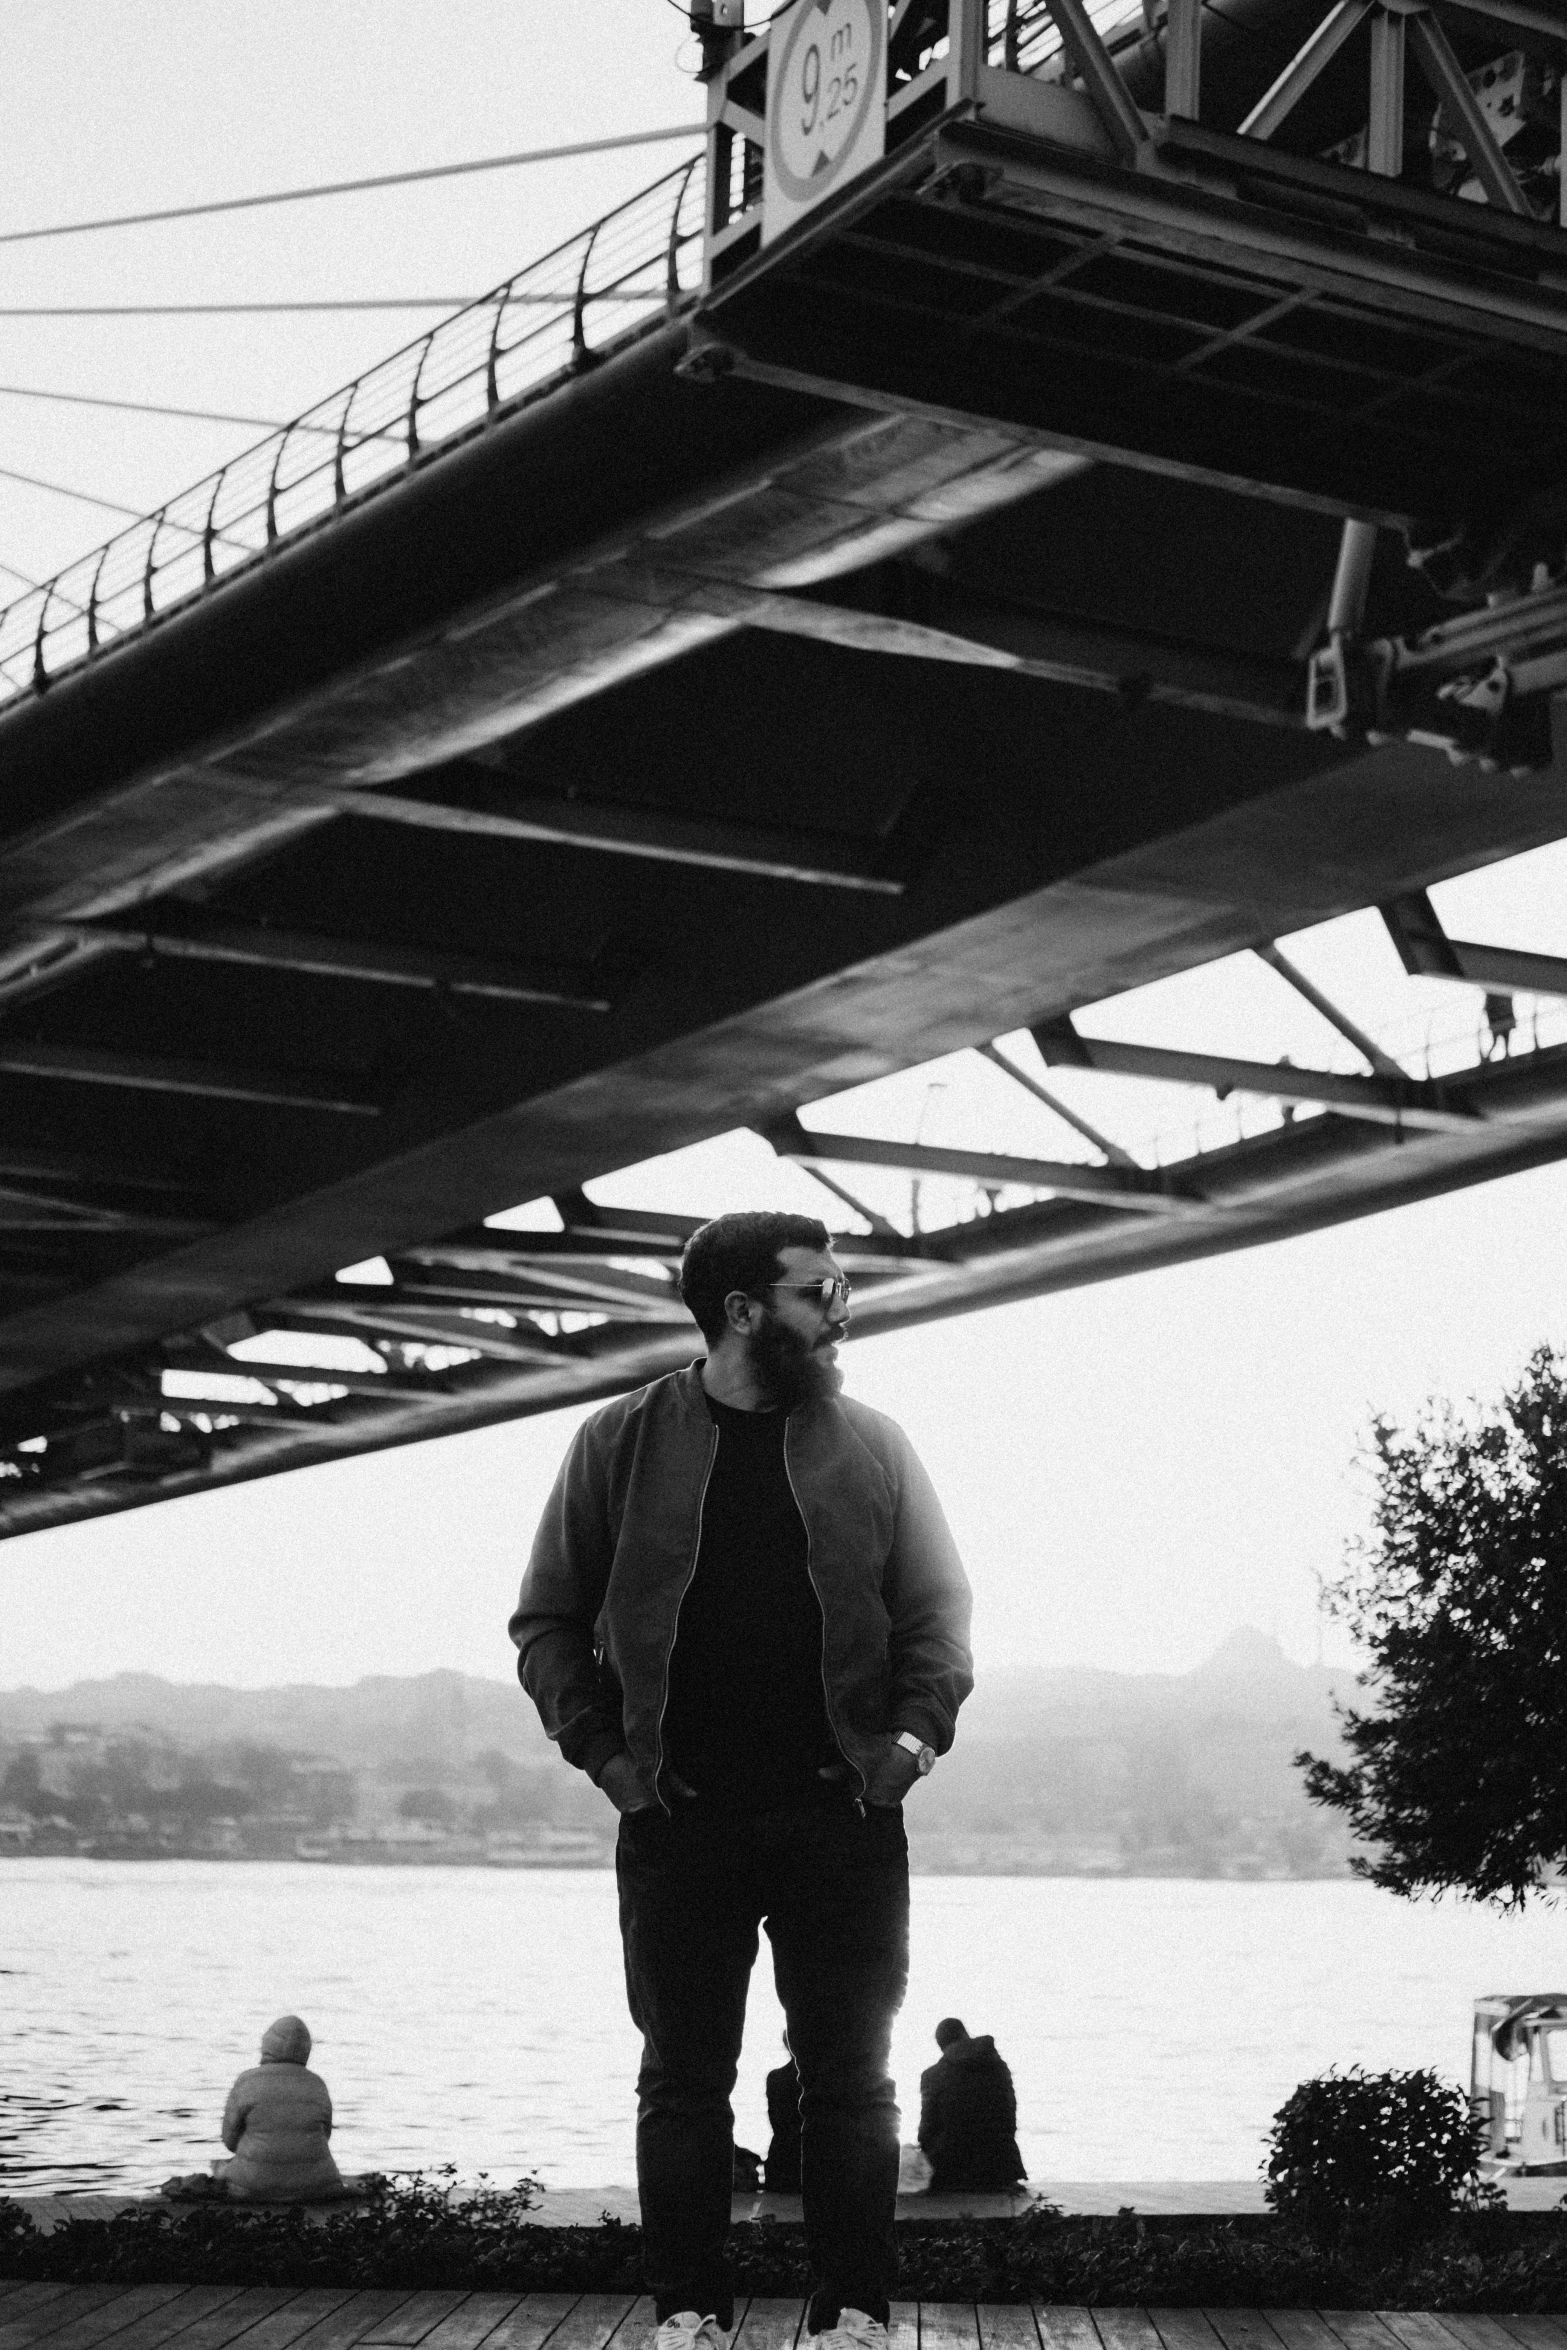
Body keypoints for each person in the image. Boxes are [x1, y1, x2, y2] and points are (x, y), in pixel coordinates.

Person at [510, 1210, 973, 2350]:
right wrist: (614, 1766)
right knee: (682, 2082)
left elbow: (938, 1620)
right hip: (679, 1817)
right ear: (742, 1311)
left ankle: (852, 2314)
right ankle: (687, 2318)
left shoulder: (876, 1442)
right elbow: (546, 1622)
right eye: (820, 1288)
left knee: (853, 2083)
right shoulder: (617, 1441)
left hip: (842, 1815)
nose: (844, 1303)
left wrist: (905, 1753)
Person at [217, 2014, 346, 2202]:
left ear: (267, 2044)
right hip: (316, 2186)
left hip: (250, 2186)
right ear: (306, 2050)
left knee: (220, 2168)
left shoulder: (247, 2081)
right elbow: (324, 2135)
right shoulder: (317, 2084)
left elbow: (229, 2141)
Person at [916, 2017, 1025, 2193]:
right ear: (965, 2035)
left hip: (952, 2169)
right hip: (1001, 2167)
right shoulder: (998, 2066)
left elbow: (927, 2129)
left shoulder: (932, 2075)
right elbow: (1009, 2116)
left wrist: (922, 2152)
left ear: (941, 2045)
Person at [764, 2042, 802, 2194]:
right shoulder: (819, 2082)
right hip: (802, 2159)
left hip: (779, 2159)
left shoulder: (775, 2078)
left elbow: (776, 2123)